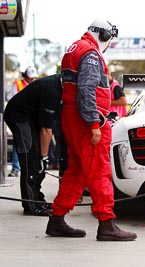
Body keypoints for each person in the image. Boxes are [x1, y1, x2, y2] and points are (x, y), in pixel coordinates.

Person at [45, 18, 137, 241]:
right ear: (104, 35)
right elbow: (87, 89)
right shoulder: (91, 54)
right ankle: (107, 225)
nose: (109, 43)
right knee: (99, 171)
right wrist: (94, 123)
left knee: (75, 172)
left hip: (71, 116)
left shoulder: (74, 48)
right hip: (87, 120)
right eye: (109, 39)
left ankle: (56, 220)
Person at [4, 74, 62, 216]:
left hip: (30, 117)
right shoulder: (52, 91)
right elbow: (46, 130)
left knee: (36, 159)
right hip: (18, 115)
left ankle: (37, 199)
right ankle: (31, 205)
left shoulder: (62, 83)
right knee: (31, 156)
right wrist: (44, 157)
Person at [6, 66, 39, 178]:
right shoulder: (18, 84)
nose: (32, 79)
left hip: (30, 118)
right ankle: (16, 168)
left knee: (28, 143)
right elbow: (10, 98)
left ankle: (28, 167)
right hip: (19, 117)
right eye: (31, 77)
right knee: (19, 142)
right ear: (26, 76)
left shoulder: (35, 85)